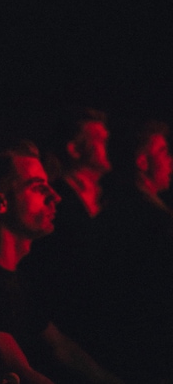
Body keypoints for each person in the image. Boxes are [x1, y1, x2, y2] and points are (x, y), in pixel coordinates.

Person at [0, 139, 122, 384]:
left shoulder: (16, 275)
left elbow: (61, 348)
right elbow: (18, 373)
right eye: (38, 187)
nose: (56, 197)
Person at [18, 107, 112, 351]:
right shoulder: (57, 205)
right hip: (72, 326)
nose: (108, 144)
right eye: (99, 139)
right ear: (75, 149)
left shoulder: (109, 201)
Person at [95, 119, 173, 382]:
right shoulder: (150, 220)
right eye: (163, 152)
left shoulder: (116, 210)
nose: (170, 160)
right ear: (141, 162)